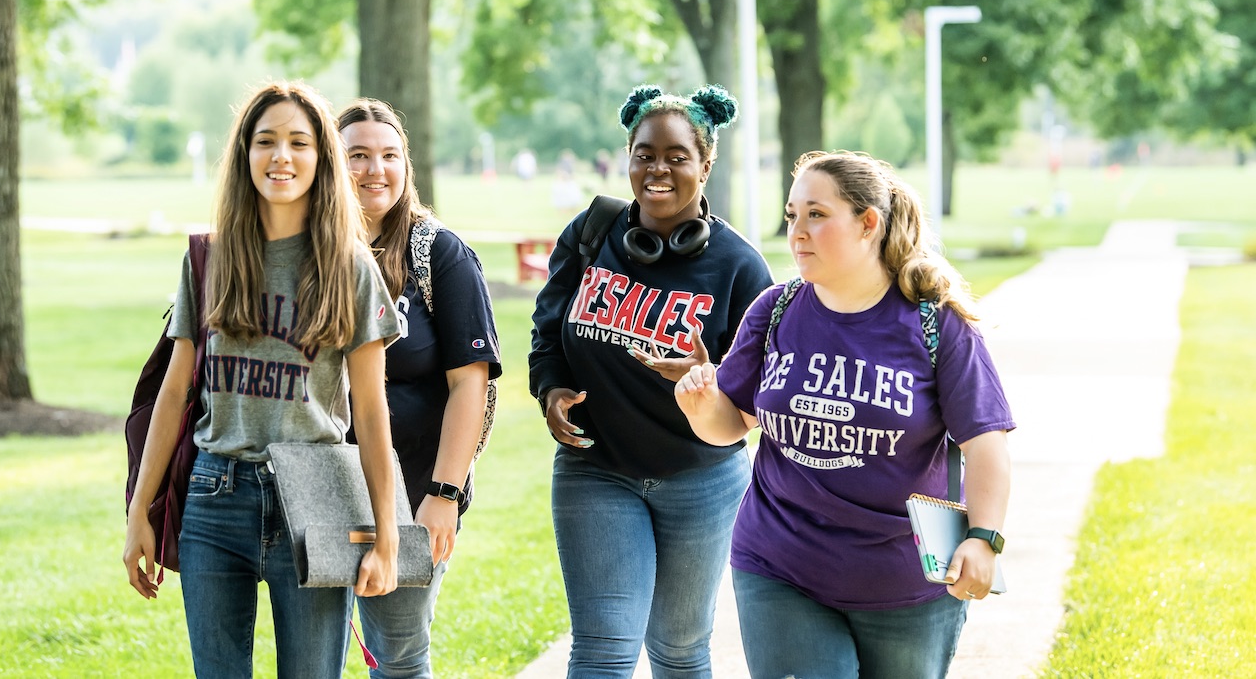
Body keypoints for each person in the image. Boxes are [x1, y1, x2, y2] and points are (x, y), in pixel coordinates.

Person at [673, 150, 1015, 679]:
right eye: (792, 216)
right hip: (779, 563)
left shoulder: (936, 326)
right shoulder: (775, 310)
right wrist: (701, 407)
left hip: (904, 581)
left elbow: (986, 446)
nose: (798, 231)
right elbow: (731, 423)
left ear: (868, 223)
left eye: (817, 214)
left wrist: (984, 537)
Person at [123, 82, 402, 679]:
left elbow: (373, 415)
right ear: (245, 155)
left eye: (299, 142)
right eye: (266, 141)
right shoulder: (209, 259)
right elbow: (174, 396)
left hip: (317, 497)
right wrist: (139, 512)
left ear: (322, 158)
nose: (282, 156)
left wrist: (386, 534)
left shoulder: (351, 268)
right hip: (213, 497)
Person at [529, 84, 774, 678]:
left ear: (706, 164)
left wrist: (707, 381)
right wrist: (552, 389)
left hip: (702, 481)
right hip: (596, 469)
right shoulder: (592, 234)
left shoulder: (740, 267)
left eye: (676, 155)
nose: (657, 168)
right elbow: (547, 329)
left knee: (680, 651)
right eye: (644, 154)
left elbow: (757, 398)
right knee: (605, 650)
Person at [338, 99, 502, 678]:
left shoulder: (437, 254)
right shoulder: (308, 254)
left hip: (413, 495)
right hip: (318, 492)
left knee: (398, 657)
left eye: (389, 155)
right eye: (357, 155)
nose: (374, 170)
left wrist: (445, 494)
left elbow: (471, 386)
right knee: (312, 656)